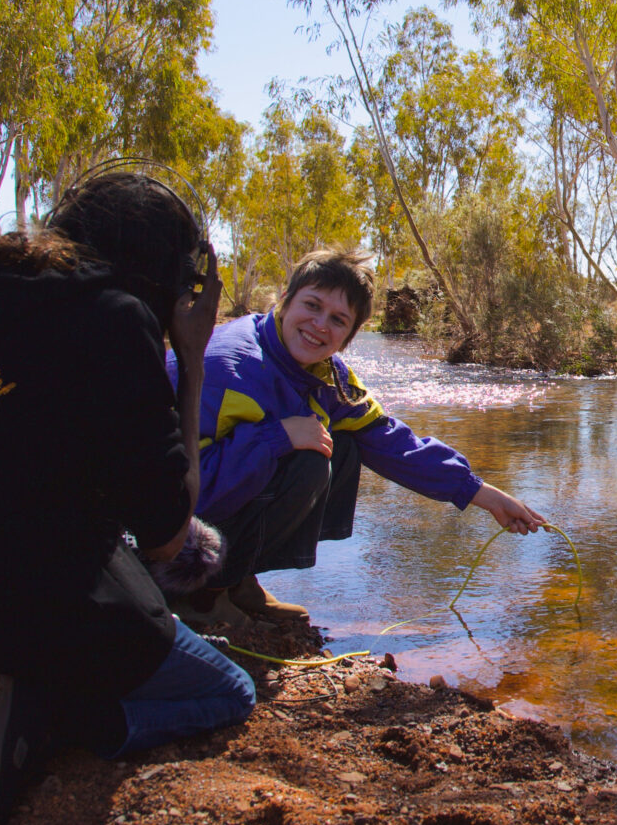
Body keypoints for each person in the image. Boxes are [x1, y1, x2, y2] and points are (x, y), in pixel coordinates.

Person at [0, 173, 253, 825]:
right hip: (15, 612)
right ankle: (43, 720)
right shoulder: (113, 319)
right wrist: (191, 359)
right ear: (166, 270)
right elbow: (167, 535)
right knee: (227, 692)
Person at [169, 248, 545, 627]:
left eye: (338, 319)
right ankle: (201, 595)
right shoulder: (227, 367)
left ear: (349, 335)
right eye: (312, 305)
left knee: (345, 444)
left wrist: (483, 494)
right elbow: (180, 485)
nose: (320, 325)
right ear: (285, 300)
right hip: (156, 524)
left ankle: (236, 581)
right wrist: (276, 437)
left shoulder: (327, 374)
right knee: (309, 461)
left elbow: (391, 442)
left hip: (199, 507)